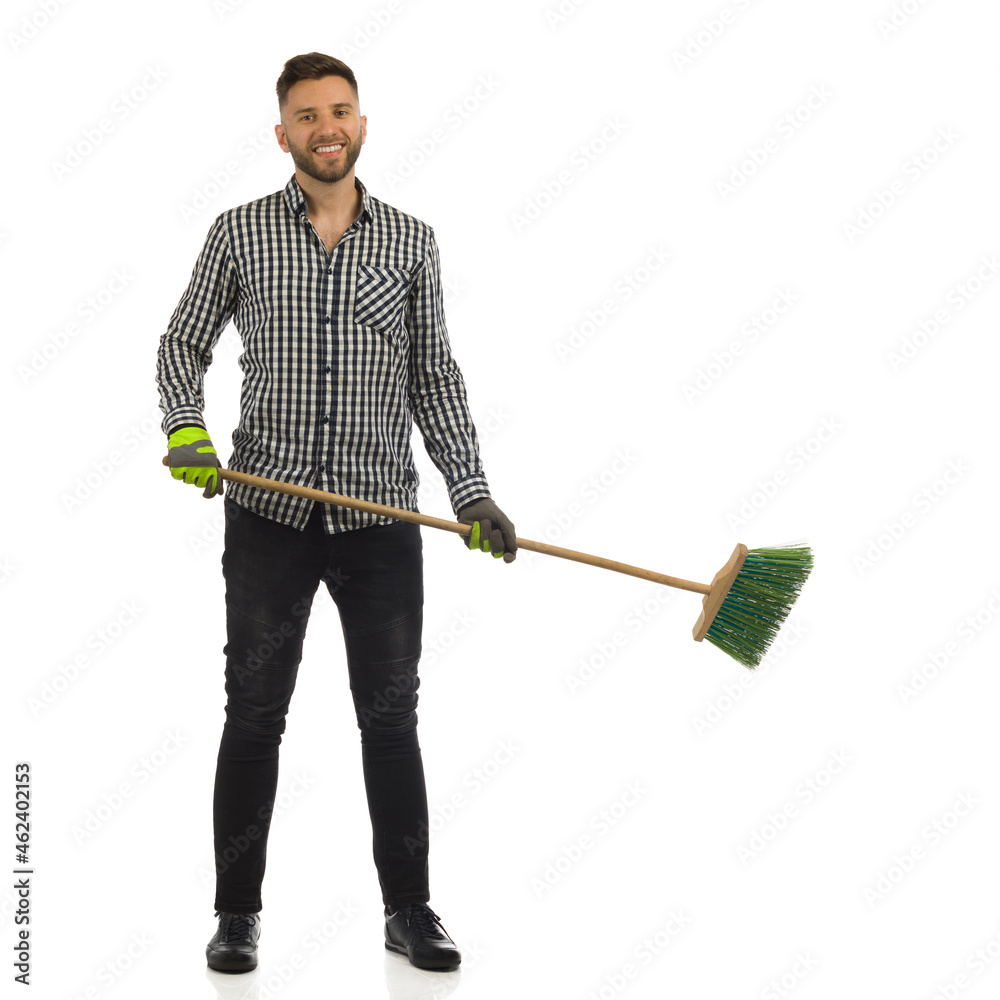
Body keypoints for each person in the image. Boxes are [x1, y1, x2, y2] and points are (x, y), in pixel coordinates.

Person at [155, 51, 517, 974]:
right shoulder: (239, 233)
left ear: (362, 123)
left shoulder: (411, 241)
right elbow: (182, 345)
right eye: (309, 115)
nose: (328, 128)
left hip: (381, 523)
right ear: (282, 134)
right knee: (254, 715)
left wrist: (470, 490)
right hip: (268, 514)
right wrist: (188, 430)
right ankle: (236, 915)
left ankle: (410, 910)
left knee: (391, 722)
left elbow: (434, 377)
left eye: (341, 111)